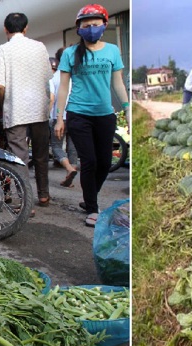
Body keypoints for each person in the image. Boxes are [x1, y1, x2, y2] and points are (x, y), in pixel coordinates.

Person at [55, 4, 129, 227]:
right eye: (86, 25)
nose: (91, 28)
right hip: (78, 114)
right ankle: (93, 208)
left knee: (105, 162)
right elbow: (63, 88)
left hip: (105, 115)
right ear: (79, 28)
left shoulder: (112, 51)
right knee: (90, 161)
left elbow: (118, 82)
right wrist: (60, 117)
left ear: (104, 25)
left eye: (95, 24)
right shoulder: (69, 54)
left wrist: (127, 108)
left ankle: (89, 197)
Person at [0, 12, 54, 208]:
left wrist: (5, 99)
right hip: (39, 109)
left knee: (19, 158)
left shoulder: (3, 50)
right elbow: (47, 79)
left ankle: (26, 203)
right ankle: (43, 195)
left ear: (5, 29)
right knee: (41, 154)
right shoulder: (40, 47)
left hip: (16, 110)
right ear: (26, 28)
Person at [49, 46, 78, 187]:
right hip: (75, 115)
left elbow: (51, 98)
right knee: (73, 147)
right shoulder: (76, 75)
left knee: (56, 146)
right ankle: (70, 173)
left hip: (58, 116)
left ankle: (69, 168)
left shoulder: (54, 77)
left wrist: (48, 116)